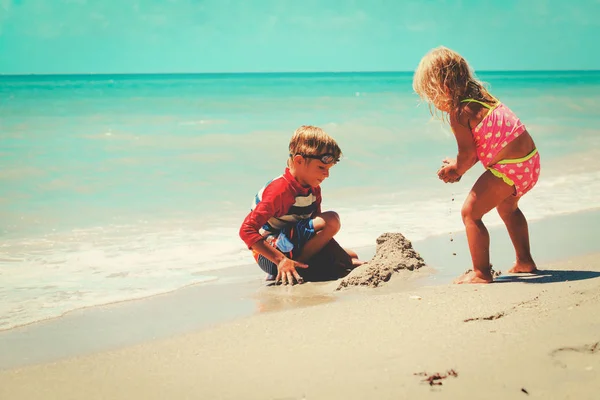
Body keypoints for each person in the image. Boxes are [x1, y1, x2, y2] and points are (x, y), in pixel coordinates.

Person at [413, 46, 541, 284]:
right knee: (508, 209)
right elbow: (484, 144)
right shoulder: (483, 98)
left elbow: (468, 155)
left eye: (430, 94)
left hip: (509, 167)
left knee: (470, 213)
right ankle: (525, 261)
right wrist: (459, 163)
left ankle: (481, 273)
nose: (432, 100)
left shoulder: (459, 111)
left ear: (443, 87)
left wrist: (455, 170)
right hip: (529, 163)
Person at [239, 125, 363, 285]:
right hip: (270, 255)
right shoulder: (280, 190)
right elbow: (246, 230)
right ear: (299, 160)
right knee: (332, 219)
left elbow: (316, 231)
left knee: (351, 256)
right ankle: (293, 266)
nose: (327, 174)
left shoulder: (313, 190)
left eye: (329, 169)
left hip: (291, 245)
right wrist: (281, 260)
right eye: (321, 167)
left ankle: (299, 264)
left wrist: (344, 260)